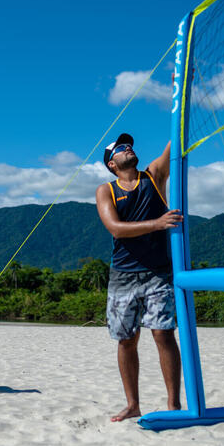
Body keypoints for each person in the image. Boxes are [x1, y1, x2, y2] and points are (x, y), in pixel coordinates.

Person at [95, 132, 184, 421]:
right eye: (121, 148)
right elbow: (116, 228)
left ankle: (174, 405)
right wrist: (158, 224)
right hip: (122, 275)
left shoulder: (153, 175)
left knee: (163, 334)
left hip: (158, 272)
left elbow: (176, 140)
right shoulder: (106, 190)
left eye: (129, 145)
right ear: (112, 163)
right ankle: (133, 405)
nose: (128, 148)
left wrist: (178, 91)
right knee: (127, 340)